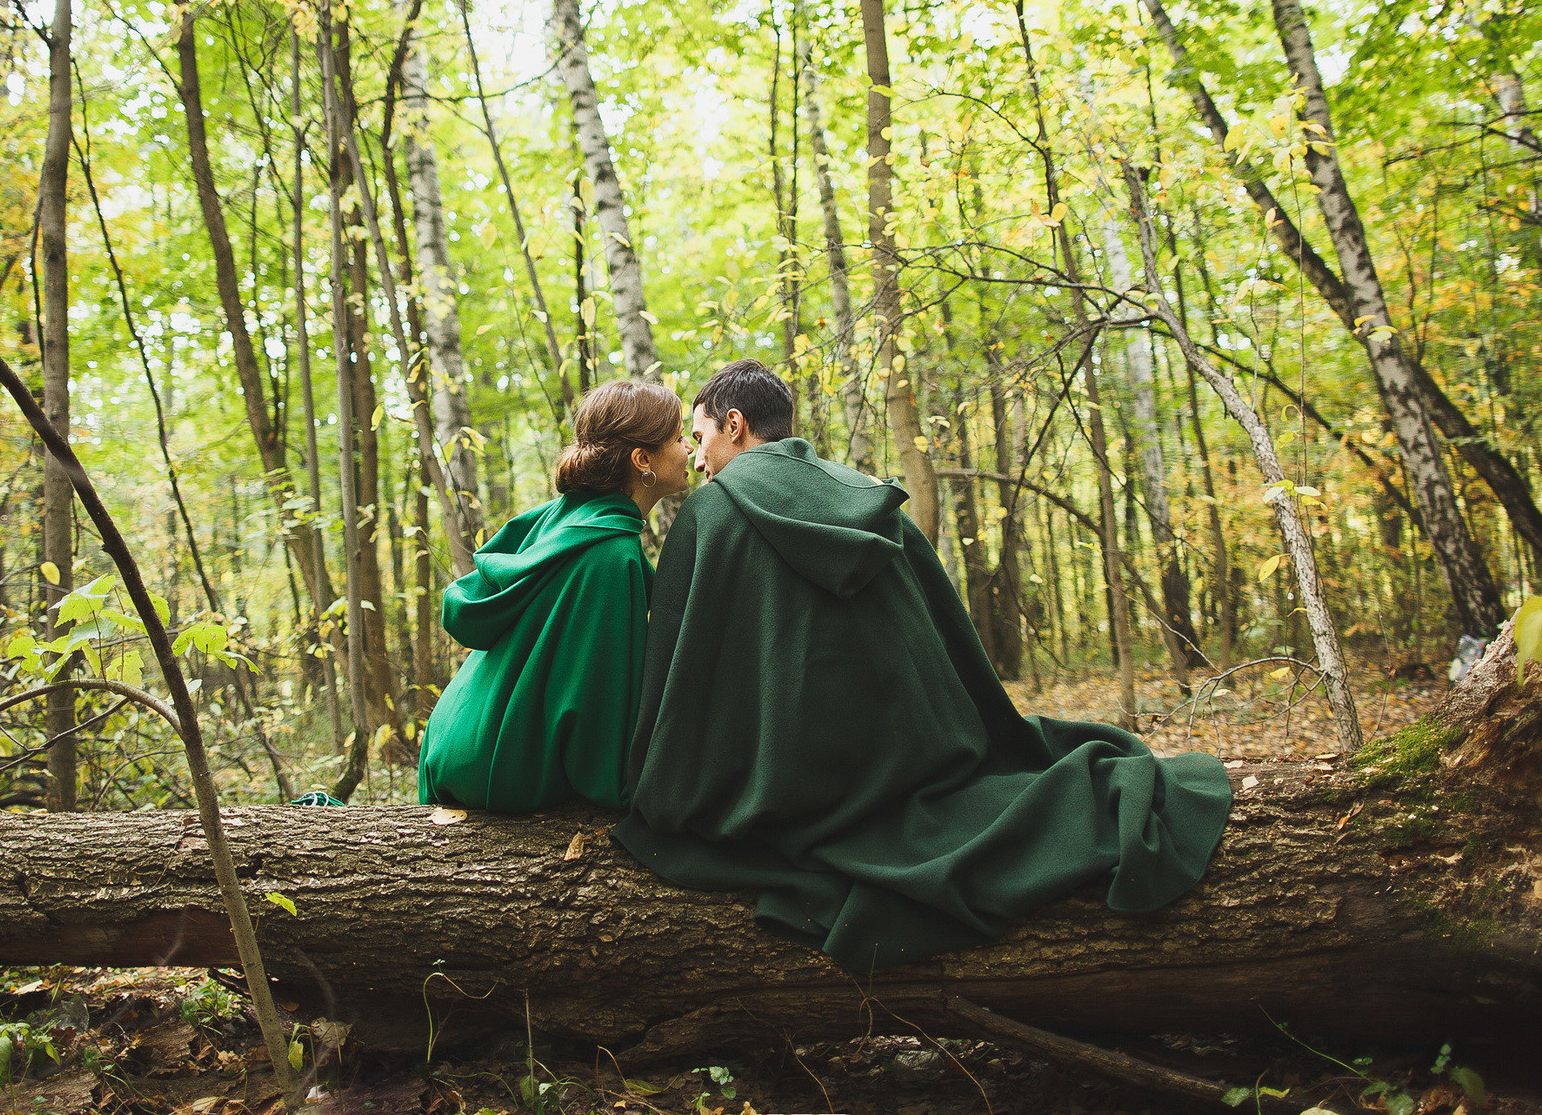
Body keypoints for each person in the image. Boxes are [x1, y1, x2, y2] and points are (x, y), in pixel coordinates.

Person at [614, 359, 1233, 973]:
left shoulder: (707, 517)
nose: (696, 459)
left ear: (736, 424)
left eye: (699, 439)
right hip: (916, 764)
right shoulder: (869, 499)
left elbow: (680, 675)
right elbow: (947, 642)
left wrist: (655, 783)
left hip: (779, 791)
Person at [418, 379, 690, 811]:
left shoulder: (560, 517)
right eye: (677, 439)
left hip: (454, 738)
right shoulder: (611, 557)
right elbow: (594, 708)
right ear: (643, 460)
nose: (689, 449)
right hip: (501, 764)